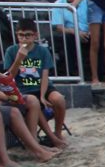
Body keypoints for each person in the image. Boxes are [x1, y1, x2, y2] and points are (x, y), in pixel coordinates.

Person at [4, 19, 67, 148]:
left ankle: (58, 133)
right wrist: (19, 59)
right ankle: (51, 137)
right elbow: (9, 77)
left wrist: (43, 96)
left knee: (59, 99)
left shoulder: (42, 51)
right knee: (34, 102)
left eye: (28, 35)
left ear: (35, 35)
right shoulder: (11, 51)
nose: (24, 38)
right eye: (21, 35)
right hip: (23, 90)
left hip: (42, 87)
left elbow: (45, 75)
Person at [0, 70, 58, 166]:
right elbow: (9, 73)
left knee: (31, 100)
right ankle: (36, 150)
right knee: (12, 112)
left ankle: (35, 144)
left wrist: (12, 98)